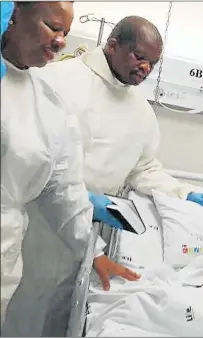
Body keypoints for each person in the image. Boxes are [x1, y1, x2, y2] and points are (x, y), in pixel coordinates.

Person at [3, 15, 203, 337]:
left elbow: (143, 168)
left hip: (90, 231)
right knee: (23, 307)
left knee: (66, 313)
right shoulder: (55, 79)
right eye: (139, 57)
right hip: (38, 224)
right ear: (113, 45)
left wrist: (183, 194)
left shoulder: (140, 111)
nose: (145, 69)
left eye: (153, 63)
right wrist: (75, 194)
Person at [0, 0, 94, 330]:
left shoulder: (49, 106)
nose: (61, 41)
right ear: (13, 15)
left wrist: (94, 254)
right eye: (53, 27)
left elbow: (64, 190)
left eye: (66, 32)